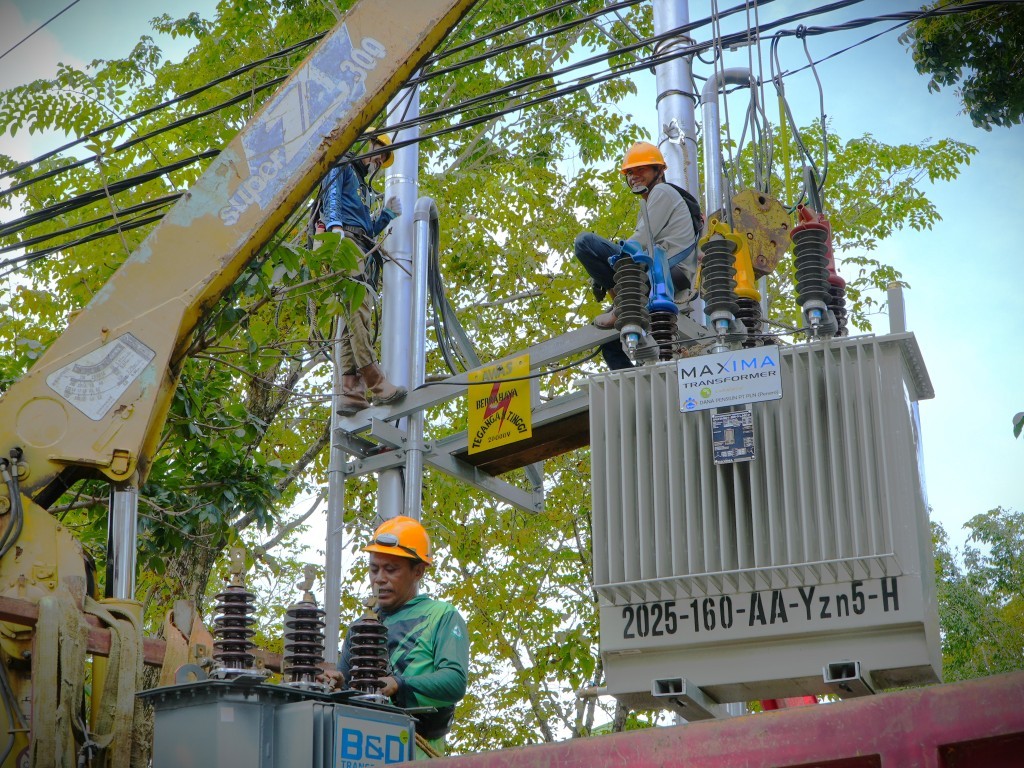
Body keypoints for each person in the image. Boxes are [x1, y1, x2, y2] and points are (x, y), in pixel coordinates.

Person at [328, 516, 469, 760]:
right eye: (374, 569)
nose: (379, 579)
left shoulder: (441, 616)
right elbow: (347, 694)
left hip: (418, 752)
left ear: (418, 570)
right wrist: (338, 683)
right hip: (360, 752)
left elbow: (455, 681)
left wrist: (399, 684)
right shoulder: (361, 629)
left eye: (391, 569)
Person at [574, 141, 698, 370]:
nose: (634, 177)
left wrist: (602, 269)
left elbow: (639, 241)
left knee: (585, 243)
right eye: (629, 173)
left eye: (640, 170)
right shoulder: (652, 201)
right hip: (657, 274)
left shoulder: (662, 192)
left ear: (659, 171)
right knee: (610, 344)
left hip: (668, 271)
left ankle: (621, 304)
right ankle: (637, 386)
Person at [318, 133, 407, 413]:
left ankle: (351, 392)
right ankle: (374, 380)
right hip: (344, 244)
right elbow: (329, 195)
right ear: (364, 144)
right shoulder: (342, 164)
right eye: (376, 151)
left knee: (350, 317)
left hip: (358, 245)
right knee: (359, 312)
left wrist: (385, 218)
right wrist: (334, 229)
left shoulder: (361, 187)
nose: (377, 159)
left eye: (382, 157)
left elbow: (366, 229)